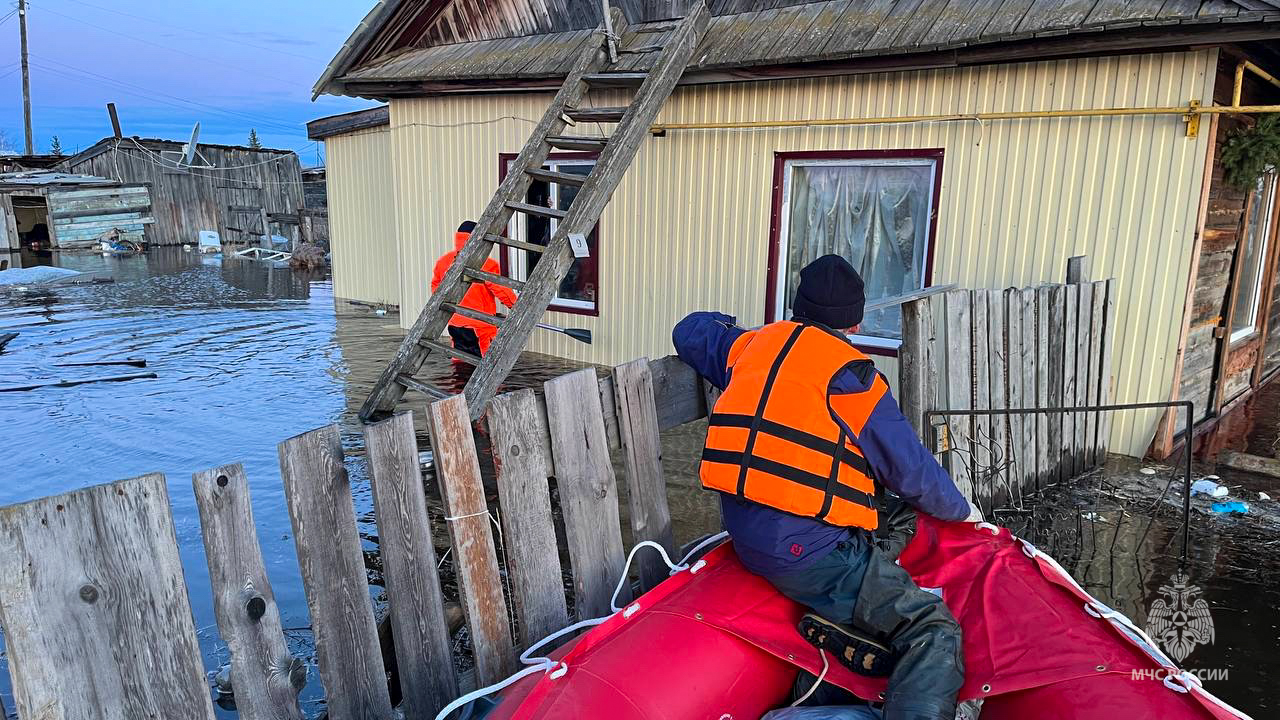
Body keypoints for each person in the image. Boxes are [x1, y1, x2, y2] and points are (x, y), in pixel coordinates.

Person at [672, 254, 981, 720]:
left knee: (895, 515)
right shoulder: (853, 378)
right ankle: (864, 625)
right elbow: (911, 472)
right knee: (934, 630)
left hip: (747, 529)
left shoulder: (752, 347)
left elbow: (689, 330)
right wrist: (964, 512)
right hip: (806, 550)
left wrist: (736, 327)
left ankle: (845, 618)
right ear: (854, 324)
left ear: (798, 308)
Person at [431, 220, 518, 358]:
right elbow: (500, 290)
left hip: (455, 324)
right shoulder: (487, 264)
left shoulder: (443, 262)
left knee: (459, 363)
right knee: (485, 366)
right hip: (480, 327)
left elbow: (436, 288)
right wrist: (517, 306)